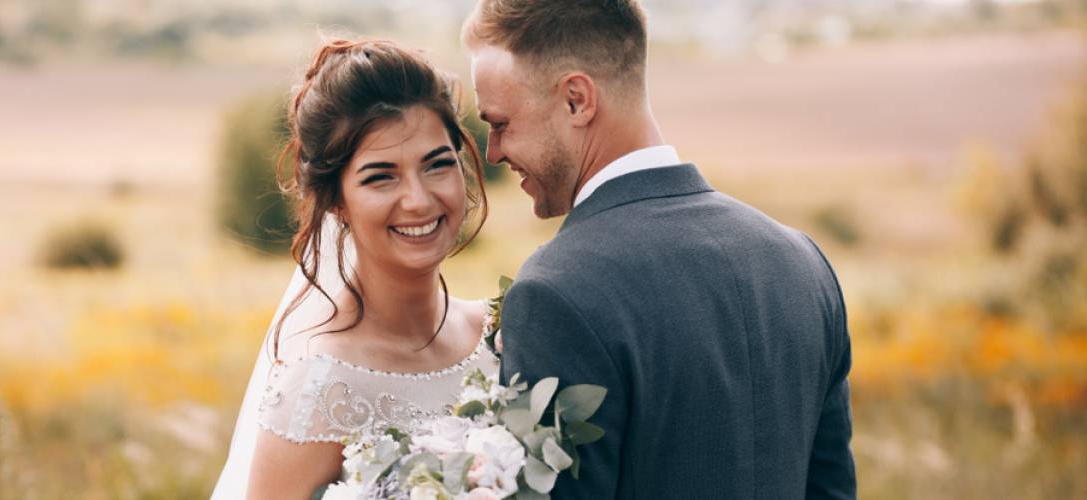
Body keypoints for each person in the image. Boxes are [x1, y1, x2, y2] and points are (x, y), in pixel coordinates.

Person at [462, 0, 856, 498]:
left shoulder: (556, 293)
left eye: (500, 123)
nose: (494, 152)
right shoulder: (803, 262)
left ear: (576, 100)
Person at [211, 39, 497, 499]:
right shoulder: (316, 390)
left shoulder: (499, 339)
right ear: (337, 202)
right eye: (380, 176)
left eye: (438, 165)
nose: (419, 200)